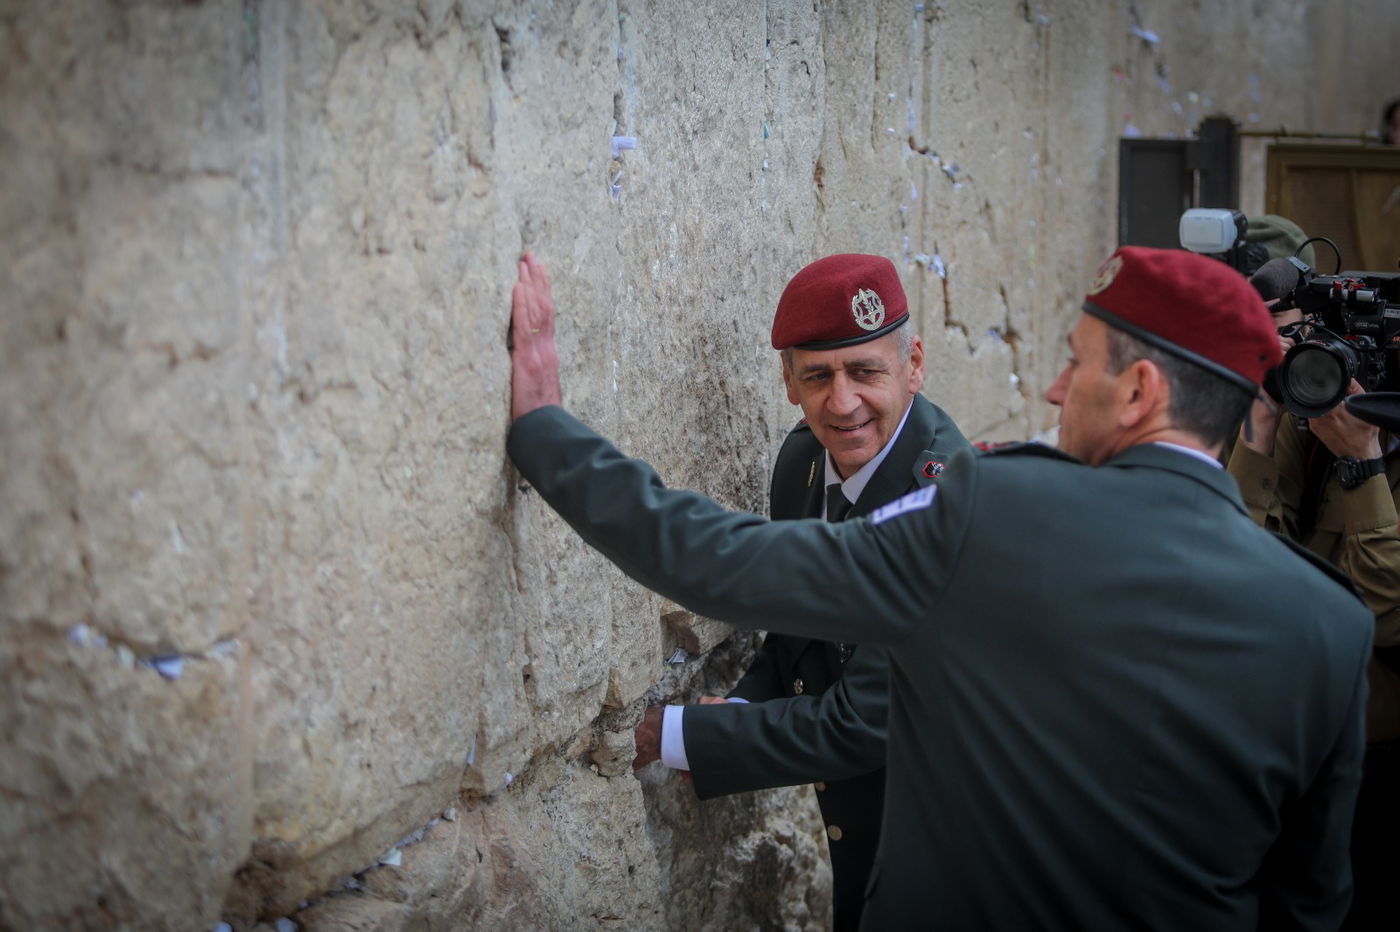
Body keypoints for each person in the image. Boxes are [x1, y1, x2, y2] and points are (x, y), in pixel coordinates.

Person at [505, 247, 1372, 927]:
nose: (1054, 388)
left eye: (1078, 364)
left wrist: (545, 430)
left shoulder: (984, 515)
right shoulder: (1331, 625)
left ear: (1140, 391)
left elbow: (718, 561)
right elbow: (1310, 903)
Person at [630, 254, 969, 930]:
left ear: (914, 364)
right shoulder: (804, 461)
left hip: (946, 857)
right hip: (862, 840)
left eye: (865, 371)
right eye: (818, 376)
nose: (842, 403)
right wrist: (743, 704)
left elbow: (868, 721)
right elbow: (797, 637)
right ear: (788, 381)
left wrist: (683, 736)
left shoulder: (944, 499)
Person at [1227, 313, 1400, 930]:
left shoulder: (1352, 437)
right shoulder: (1307, 416)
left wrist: (1362, 464)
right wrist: (1261, 428)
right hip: (1276, 738)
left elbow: (1384, 614)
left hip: (1375, 760)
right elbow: (1238, 582)